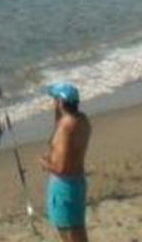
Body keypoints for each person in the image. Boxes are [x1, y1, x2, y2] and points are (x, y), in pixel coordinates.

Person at [39, 81, 92, 242]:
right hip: (77, 182)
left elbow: (61, 168)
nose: (53, 103)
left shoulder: (65, 127)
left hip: (64, 186)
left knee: (69, 234)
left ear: (61, 102)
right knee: (77, 230)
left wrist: (44, 162)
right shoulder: (82, 119)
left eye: (55, 99)